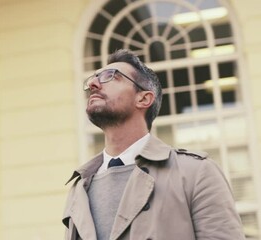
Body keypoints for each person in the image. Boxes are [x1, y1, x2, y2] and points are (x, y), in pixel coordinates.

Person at [62, 49, 245, 240]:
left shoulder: (195, 172)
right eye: (93, 78)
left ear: (143, 98)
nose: (92, 83)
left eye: (110, 76)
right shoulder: (79, 187)